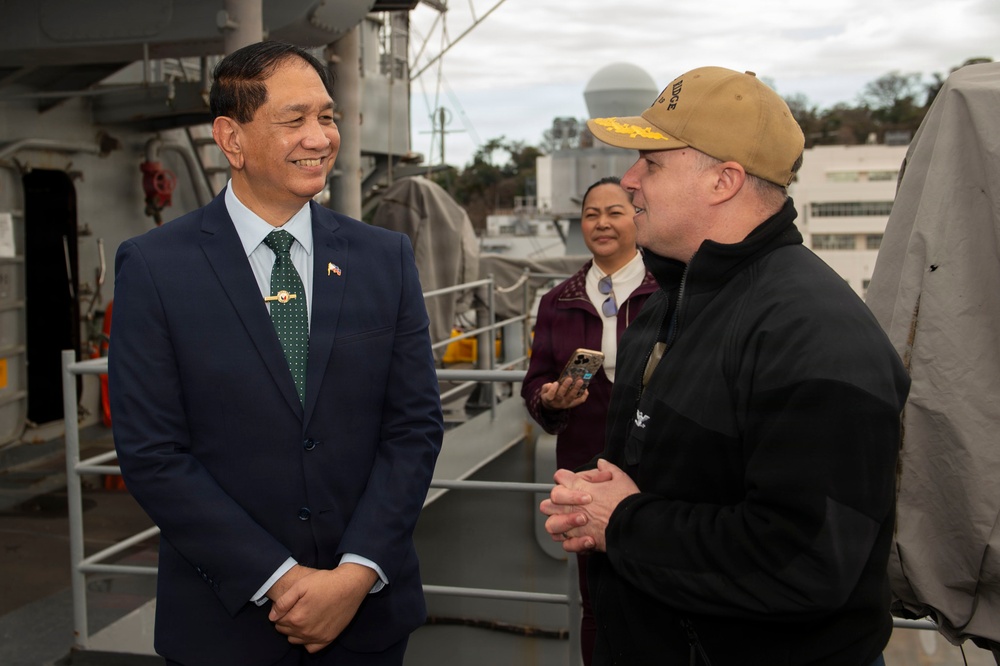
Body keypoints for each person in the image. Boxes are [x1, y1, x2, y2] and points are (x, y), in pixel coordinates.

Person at [539, 66, 910, 666]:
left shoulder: (817, 335)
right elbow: (682, 474)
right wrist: (592, 492)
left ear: (724, 180)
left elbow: (807, 562)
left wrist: (624, 523)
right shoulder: (669, 308)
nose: (629, 181)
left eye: (652, 162)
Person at [108, 41, 443, 666]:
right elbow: (153, 453)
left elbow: (414, 428)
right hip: (225, 625)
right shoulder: (155, 268)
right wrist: (281, 581)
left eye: (328, 117)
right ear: (231, 139)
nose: (320, 137)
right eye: (296, 119)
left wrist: (354, 575)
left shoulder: (385, 259)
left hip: (366, 620)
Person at [521, 176, 657, 664]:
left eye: (615, 211)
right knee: (596, 600)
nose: (601, 223)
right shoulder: (557, 301)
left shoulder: (668, 291)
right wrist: (552, 400)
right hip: (585, 465)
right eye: (591, 214)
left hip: (656, 470)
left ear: (637, 217)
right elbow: (534, 382)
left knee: (659, 593)